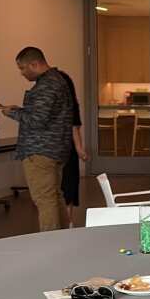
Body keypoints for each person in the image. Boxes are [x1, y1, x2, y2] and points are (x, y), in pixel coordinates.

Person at [0, 47, 73, 232]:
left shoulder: (46, 85)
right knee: (55, 196)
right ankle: (64, 238)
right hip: (56, 149)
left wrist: (13, 112)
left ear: (34, 63)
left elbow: (38, 120)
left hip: (40, 151)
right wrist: (23, 111)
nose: (21, 73)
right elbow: (46, 115)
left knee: (45, 200)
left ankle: (50, 245)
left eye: (22, 68)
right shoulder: (59, 80)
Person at [57, 70, 90, 223]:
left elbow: (74, 127)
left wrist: (79, 149)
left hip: (67, 150)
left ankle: (67, 221)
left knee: (68, 187)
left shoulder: (70, 106)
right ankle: (62, 223)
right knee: (60, 188)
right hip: (54, 150)